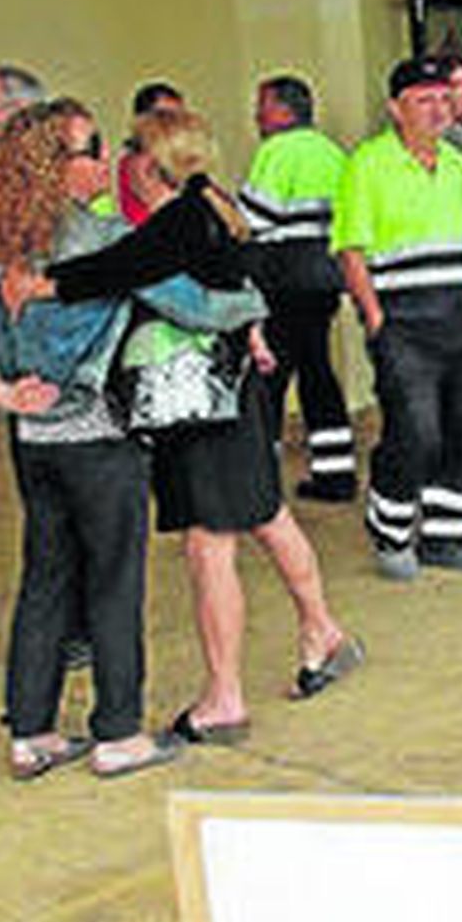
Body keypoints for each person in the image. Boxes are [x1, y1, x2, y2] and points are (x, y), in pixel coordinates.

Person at [134, 108, 363, 738]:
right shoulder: (218, 210)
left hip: (201, 402)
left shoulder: (173, 229)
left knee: (210, 546)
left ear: (152, 163)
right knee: (266, 514)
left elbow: (189, 302)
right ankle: (323, 629)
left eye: (131, 146)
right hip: (235, 396)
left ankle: (224, 697)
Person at [0, 100, 182, 778]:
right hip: (97, 435)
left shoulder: (4, 246)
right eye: (92, 148)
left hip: (33, 437)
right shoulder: (106, 239)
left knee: (44, 578)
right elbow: (191, 298)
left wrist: (5, 395)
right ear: (54, 168)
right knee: (114, 579)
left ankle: (31, 732)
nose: (107, 160)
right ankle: (118, 732)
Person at [334, 56, 462, 578]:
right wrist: (376, 318)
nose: (437, 110)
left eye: (443, 99)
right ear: (395, 108)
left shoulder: (455, 164)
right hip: (404, 325)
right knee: (417, 431)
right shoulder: (367, 163)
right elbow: (351, 249)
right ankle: (391, 530)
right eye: (423, 100)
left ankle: (446, 539)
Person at [238, 73, 355, 501]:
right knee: (318, 372)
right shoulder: (331, 152)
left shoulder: (277, 150)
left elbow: (253, 218)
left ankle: (258, 478)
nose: (256, 115)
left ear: (283, 110)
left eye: (261, 105)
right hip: (325, 281)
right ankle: (335, 472)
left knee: (268, 378)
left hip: (282, 282)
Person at [116, 80, 184, 224]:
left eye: (179, 117)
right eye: (165, 116)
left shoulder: (180, 159)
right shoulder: (139, 163)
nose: (174, 125)